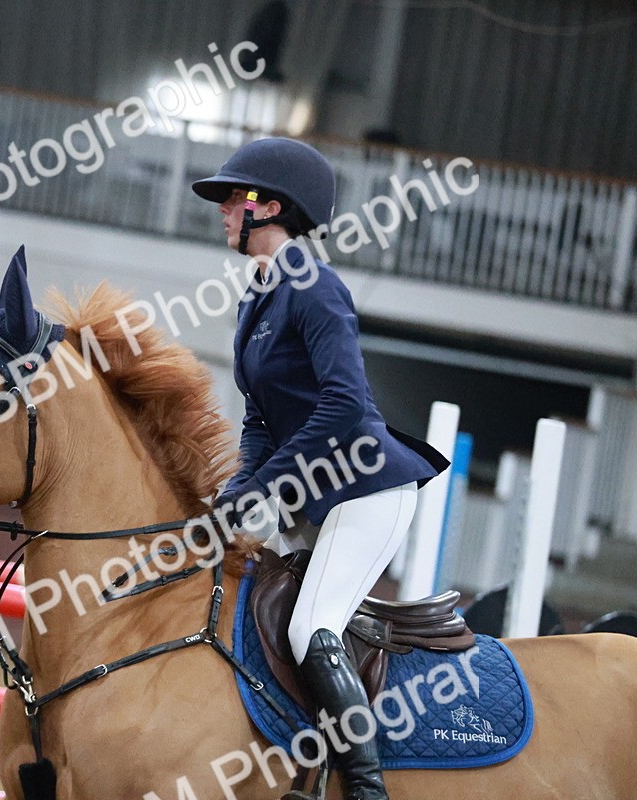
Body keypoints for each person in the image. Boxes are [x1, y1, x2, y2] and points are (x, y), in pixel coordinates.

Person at [192, 137, 449, 800]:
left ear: (270, 206)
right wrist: (239, 489)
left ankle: (364, 788)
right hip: (311, 498)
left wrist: (271, 485)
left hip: (366, 491)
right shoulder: (258, 298)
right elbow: (258, 420)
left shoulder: (315, 286)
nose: (222, 211)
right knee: (258, 614)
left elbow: (343, 404)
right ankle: (301, 766)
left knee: (310, 627)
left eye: (233, 199)